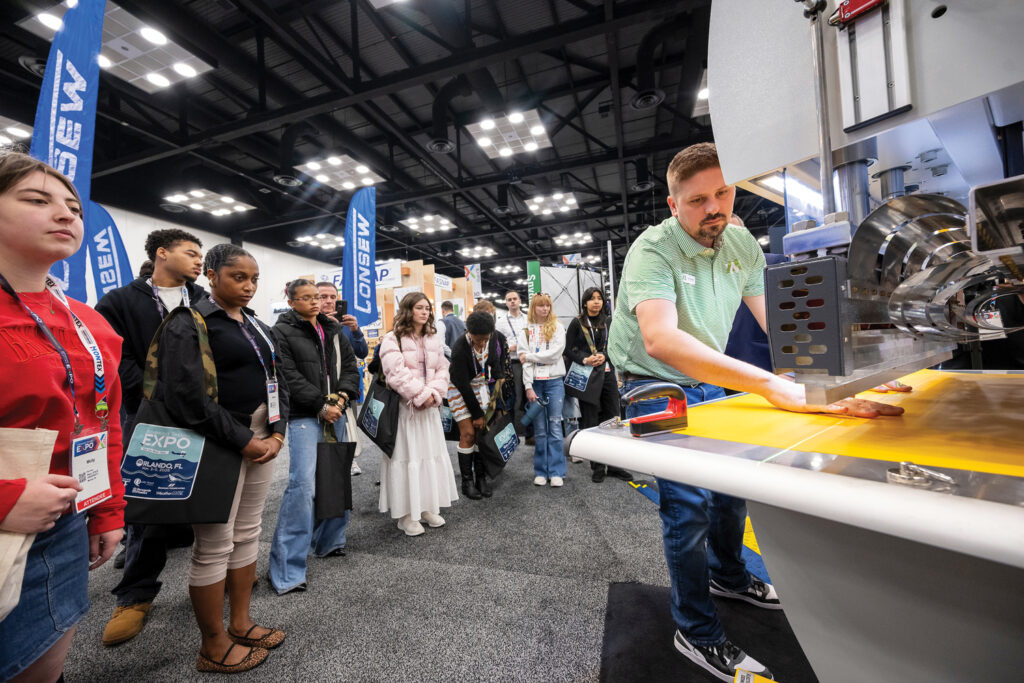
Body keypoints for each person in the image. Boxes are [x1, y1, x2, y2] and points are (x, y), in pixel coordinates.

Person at [607, 142, 904, 681]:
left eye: (722, 192)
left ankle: (730, 577)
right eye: (697, 200)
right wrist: (772, 385)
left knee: (730, 489)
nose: (713, 207)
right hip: (651, 380)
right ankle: (695, 630)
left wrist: (846, 376)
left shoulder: (740, 241)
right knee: (689, 503)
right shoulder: (654, 250)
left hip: (709, 377)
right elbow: (661, 341)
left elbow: (783, 331)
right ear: (674, 206)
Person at [0, 151, 125, 680]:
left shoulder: (88, 321)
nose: (66, 215)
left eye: (73, 208)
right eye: (37, 200)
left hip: (65, 521)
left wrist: (107, 511)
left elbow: (105, 421)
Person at [155, 243, 290, 673]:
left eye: (254, 279)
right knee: (214, 544)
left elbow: (277, 377)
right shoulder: (189, 321)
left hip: (260, 438)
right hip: (217, 442)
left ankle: (241, 622)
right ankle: (212, 645)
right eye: (238, 277)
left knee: (249, 531)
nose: (248, 286)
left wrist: (278, 431)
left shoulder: (256, 323)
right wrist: (243, 440)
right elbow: (185, 395)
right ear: (210, 274)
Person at [95, 227, 206, 646]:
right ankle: (135, 595)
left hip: (204, 416)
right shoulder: (120, 301)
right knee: (148, 506)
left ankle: (216, 577)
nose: (199, 261)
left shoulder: (203, 300)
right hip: (148, 417)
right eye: (191, 252)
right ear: (162, 253)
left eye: (201, 255)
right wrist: (152, 394)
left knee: (210, 499)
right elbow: (111, 355)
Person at [269, 279, 359, 595]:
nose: (315, 302)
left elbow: (350, 367)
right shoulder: (280, 332)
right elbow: (286, 375)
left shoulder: (332, 330)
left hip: (336, 411)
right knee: (302, 486)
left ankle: (329, 541)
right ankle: (287, 569)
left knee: (335, 477)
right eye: (307, 298)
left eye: (317, 297)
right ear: (291, 300)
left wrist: (342, 398)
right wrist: (320, 404)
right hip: (304, 415)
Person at [378, 293, 458, 536]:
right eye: (419, 308)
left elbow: (443, 369)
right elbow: (396, 373)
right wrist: (420, 395)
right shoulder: (392, 339)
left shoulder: (433, 338)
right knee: (407, 457)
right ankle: (405, 515)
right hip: (405, 411)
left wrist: (434, 394)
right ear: (408, 310)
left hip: (429, 410)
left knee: (429, 456)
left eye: (427, 308)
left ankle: (425, 507)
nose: (425, 312)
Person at [565, 286, 630, 482]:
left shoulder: (609, 321)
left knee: (613, 418)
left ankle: (616, 465)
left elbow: (616, 346)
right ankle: (598, 466)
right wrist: (585, 359)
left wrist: (605, 355)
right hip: (587, 376)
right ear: (585, 302)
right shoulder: (577, 323)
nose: (596, 302)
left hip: (608, 374)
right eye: (592, 298)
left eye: (599, 298)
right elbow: (568, 349)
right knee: (591, 420)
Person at [448, 311, 513, 500]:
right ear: (469, 332)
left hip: (481, 387)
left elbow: (494, 361)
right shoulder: (460, 347)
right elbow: (461, 383)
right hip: (460, 389)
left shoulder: (491, 338)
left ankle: (481, 478)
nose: (482, 343)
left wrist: (499, 383)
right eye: (478, 339)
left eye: (486, 339)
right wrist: (476, 414)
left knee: (481, 435)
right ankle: (467, 482)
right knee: (468, 433)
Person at [316, 281, 369, 475]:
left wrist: (356, 331)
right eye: (323, 297)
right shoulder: (310, 324)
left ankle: (350, 459)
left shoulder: (346, 324)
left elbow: (362, 352)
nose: (329, 301)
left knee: (347, 424)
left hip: (344, 385)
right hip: (319, 386)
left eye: (332, 297)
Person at [517, 293, 568, 487]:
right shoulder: (526, 332)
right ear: (533, 308)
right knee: (539, 430)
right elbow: (524, 364)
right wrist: (528, 386)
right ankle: (541, 470)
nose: (545, 309)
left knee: (555, 427)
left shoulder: (558, 327)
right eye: (540, 306)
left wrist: (529, 356)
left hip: (554, 382)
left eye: (547, 306)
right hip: (536, 383)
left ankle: (556, 471)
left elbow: (555, 355)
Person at [495, 291, 530, 437]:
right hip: (512, 363)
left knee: (530, 395)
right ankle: (518, 431)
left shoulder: (528, 319)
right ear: (506, 303)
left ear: (520, 300)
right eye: (509, 299)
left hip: (529, 361)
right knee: (516, 397)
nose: (512, 301)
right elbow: (497, 346)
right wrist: (510, 348)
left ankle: (530, 432)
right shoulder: (501, 321)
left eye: (515, 299)